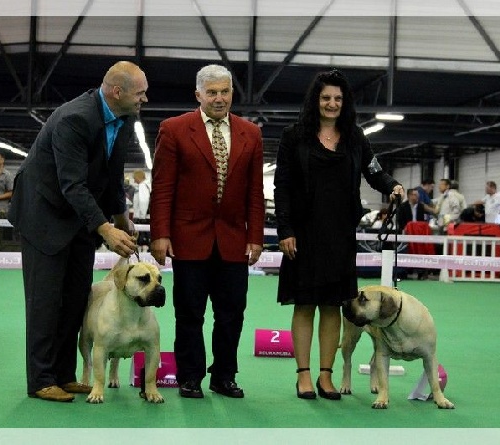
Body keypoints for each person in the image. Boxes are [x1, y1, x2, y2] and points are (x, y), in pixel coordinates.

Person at [8, 61, 146, 402]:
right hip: (44, 214)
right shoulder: (75, 118)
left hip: (77, 218)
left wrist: (121, 218)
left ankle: (65, 376)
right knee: (45, 301)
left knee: (74, 300)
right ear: (118, 91)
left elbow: (112, 175)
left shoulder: (124, 117)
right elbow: (72, 184)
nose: (145, 98)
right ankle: (41, 379)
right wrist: (105, 230)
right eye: (140, 92)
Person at [273, 69, 403, 401]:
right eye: (326, 98)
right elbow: (282, 186)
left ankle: (326, 376)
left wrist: (392, 186)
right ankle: (303, 375)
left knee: (333, 307)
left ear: (344, 103)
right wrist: (284, 229)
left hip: (340, 235)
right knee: (303, 305)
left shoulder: (355, 137)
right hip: (302, 234)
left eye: (338, 99)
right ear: (315, 101)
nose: (332, 104)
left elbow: (374, 172)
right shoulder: (293, 136)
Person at [150, 64, 264, 399]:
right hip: (188, 238)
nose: (219, 98)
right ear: (198, 94)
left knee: (231, 314)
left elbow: (254, 192)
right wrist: (160, 233)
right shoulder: (173, 129)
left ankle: (224, 375)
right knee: (189, 313)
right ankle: (189, 376)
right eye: (211, 92)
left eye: (224, 91)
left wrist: (255, 236)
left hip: (233, 239)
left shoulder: (251, 133)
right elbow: (163, 187)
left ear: (232, 93)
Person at [131, 169, 152, 249]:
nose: (134, 180)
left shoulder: (142, 186)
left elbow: (143, 201)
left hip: (142, 217)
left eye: (134, 178)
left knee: (141, 239)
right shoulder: (148, 185)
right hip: (147, 216)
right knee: (148, 238)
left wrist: (142, 216)